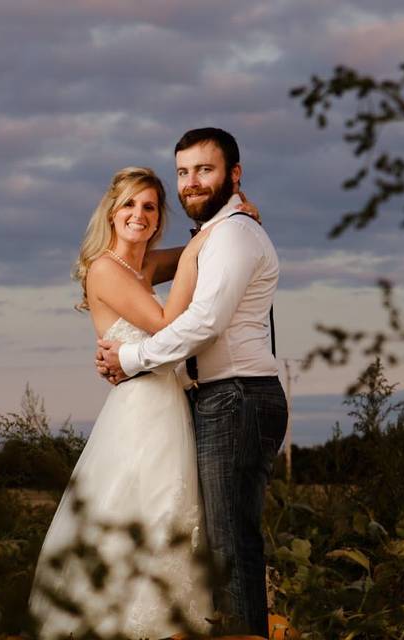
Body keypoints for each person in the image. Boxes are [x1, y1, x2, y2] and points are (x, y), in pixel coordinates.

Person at [28, 166, 260, 638]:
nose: (139, 214)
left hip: (169, 401)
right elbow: (163, 322)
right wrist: (197, 248)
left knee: (173, 512)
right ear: (112, 213)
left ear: (158, 219)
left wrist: (236, 214)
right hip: (139, 410)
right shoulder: (105, 268)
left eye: (150, 206)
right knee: (142, 509)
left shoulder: (145, 266)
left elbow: (210, 247)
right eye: (129, 204)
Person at [96, 128, 288, 637]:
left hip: (237, 394)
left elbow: (202, 323)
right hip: (208, 399)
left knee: (229, 541)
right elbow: (180, 266)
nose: (192, 183)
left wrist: (131, 357)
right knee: (210, 539)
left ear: (234, 176)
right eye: (184, 172)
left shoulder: (233, 234)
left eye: (205, 170)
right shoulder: (210, 239)